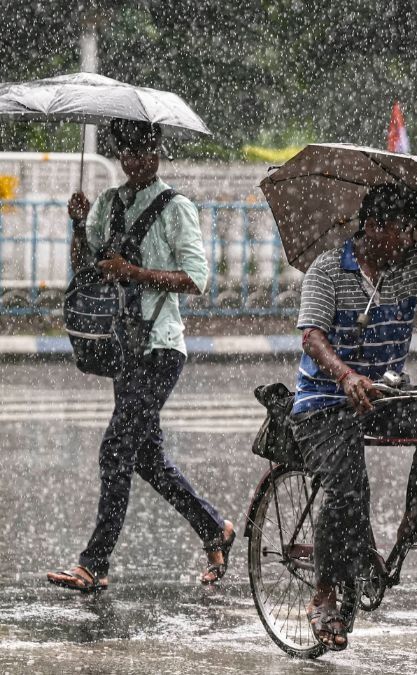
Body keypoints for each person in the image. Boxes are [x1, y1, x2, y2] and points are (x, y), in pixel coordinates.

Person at [289, 184, 417, 650]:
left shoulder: (413, 267)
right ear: (376, 227)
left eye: (412, 228)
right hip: (326, 401)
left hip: (384, 395)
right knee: (348, 486)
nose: (410, 237)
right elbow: (313, 339)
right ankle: (323, 595)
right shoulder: (328, 269)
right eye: (403, 228)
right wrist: (346, 377)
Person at [46, 119, 234, 593]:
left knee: (116, 448)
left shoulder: (176, 208)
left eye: (143, 151)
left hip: (161, 347)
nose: (134, 160)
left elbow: (196, 278)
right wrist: (76, 223)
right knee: (147, 458)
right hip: (123, 348)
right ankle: (215, 528)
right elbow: (83, 265)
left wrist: (134, 271)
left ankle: (95, 563)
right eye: (126, 152)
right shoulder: (108, 204)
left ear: (157, 152)